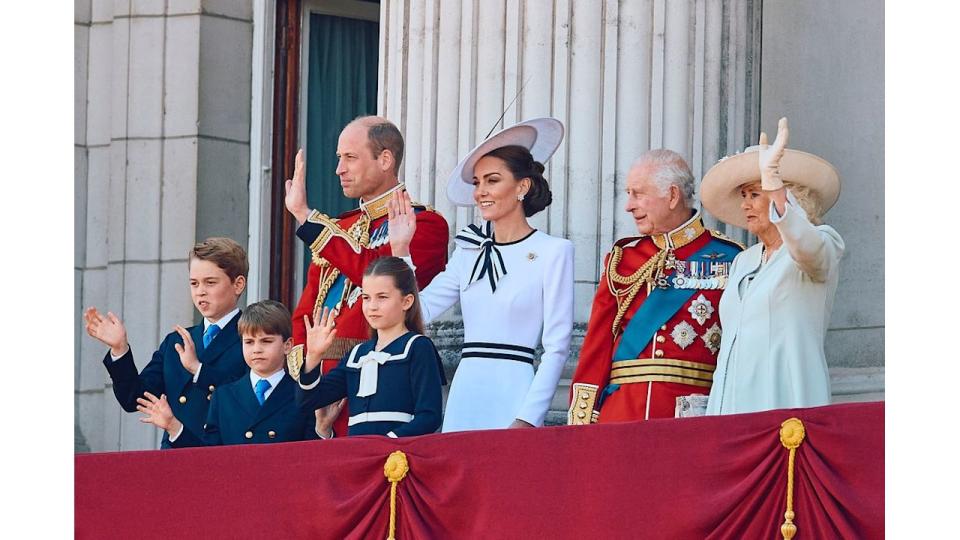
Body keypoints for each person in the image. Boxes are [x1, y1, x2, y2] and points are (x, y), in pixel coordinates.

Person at [389, 118, 574, 432]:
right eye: (476, 182)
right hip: (466, 393)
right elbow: (421, 311)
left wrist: (529, 417)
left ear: (522, 187)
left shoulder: (554, 251)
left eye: (492, 180)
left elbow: (558, 346)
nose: (480, 192)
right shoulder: (468, 249)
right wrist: (401, 249)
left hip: (516, 393)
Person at [284, 116, 449, 437]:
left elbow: (376, 274)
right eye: (338, 158)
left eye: (350, 157)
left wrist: (306, 217)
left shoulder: (425, 224)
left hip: (382, 383)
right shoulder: (338, 228)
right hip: (320, 387)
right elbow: (306, 313)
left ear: (385, 159)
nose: (339, 169)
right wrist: (309, 369)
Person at [567, 149, 743, 425]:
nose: (628, 205)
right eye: (628, 193)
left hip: (693, 418)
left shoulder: (731, 258)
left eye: (638, 194)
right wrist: (582, 422)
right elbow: (596, 349)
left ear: (672, 196)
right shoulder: (623, 259)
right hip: (622, 416)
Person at [700, 118, 844, 415]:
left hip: (784, 408)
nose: (745, 204)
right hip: (730, 414)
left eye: (755, 194)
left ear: (789, 196)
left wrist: (773, 185)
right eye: (744, 196)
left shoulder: (822, 245)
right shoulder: (744, 260)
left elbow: (808, 248)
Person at [84, 237, 250, 449]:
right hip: (174, 459)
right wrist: (120, 349)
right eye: (194, 283)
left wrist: (198, 370)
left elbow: (247, 401)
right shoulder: (176, 342)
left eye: (210, 282)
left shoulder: (251, 340)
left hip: (223, 458)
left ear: (238, 284)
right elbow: (134, 398)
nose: (200, 291)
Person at [136, 300, 331, 446]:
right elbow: (207, 459)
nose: (256, 349)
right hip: (233, 496)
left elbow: (312, 461)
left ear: (287, 345)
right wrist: (173, 425)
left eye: (266, 341)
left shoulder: (301, 397)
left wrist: (322, 430)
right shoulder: (224, 396)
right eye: (249, 342)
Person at [294, 257, 445, 438]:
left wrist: (388, 443)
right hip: (359, 456)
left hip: (399, 458)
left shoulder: (418, 347)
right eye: (366, 298)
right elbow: (308, 401)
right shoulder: (356, 355)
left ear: (407, 301)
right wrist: (313, 356)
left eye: (382, 297)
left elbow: (430, 416)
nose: (372, 306)